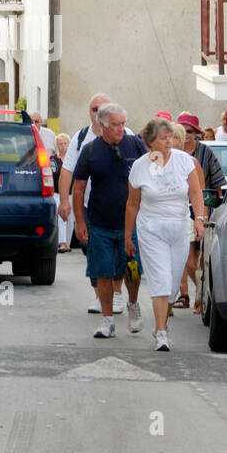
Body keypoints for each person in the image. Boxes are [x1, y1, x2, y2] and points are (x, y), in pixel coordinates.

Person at [126, 117, 207, 351]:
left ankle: (163, 317)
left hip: (179, 227)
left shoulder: (185, 162)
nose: (169, 141)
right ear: (150, 143)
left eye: (170, 136)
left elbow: (195, 194)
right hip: (151, 228)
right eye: (163, 138)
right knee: (160, 279)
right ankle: (161, 332)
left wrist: (199, 220)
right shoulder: (140, 167)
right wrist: (127, 236)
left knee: (172, 283)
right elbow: (132, 204)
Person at [59, 93, 138, 316]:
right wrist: (64, 200)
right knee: (93, 252)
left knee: (120, 254)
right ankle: (101, 296)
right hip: (90, 206)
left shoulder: (129, 138)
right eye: (94, 109)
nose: (97, 113)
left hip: (124, 208)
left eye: (102, 109)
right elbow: (69, 171)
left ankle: (117, 294)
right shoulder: (82, 139)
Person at [72, 103, 146, 338]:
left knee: (132, 270)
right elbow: (80, 187)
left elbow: (151, 175)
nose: (121, 129)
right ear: (102, 125)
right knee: (102, 272)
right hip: (100, 223)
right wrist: (79, 222)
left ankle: (133, 304)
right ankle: (107, 320)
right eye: (116, 125)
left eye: (123, 124)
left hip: (130, 224)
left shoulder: (135, 145)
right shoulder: (91, 151)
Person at [176, 112, 227, 313]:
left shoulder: (205, 154)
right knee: (187, 262)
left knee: (202, 259)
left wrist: (208, 213)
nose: (185, 134)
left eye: (189, 131)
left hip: (203, 212)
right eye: (182, 130)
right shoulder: (172, 153)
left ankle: (201, 296)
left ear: (196, 133)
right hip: (180, 213)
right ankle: (194, 294)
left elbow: (218, 185)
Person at [54, 133, 72, 251]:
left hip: (71, 192)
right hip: (56, 192)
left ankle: (68, 242)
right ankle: (62, 242)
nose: (63, 146)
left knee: (70, 219)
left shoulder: (73, 159)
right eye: (61, 144)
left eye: (65, 143)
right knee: (61, 217)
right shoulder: (53, 160)